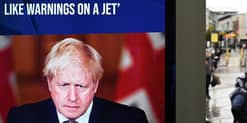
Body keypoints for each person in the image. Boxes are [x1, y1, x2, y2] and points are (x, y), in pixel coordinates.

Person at [7, 38, 148, 123]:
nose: (73, 97)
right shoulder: (21, 119)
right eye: (64, 85)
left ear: (95, 85)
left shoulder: (130, 120)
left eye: (81, 86)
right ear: (50, 83)